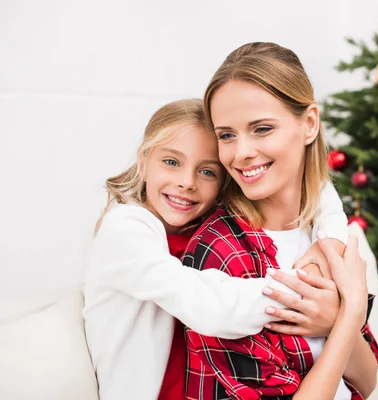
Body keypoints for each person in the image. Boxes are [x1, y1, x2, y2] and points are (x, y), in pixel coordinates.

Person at [82, 99, 351, 400]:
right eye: (171, 162)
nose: (187, 183)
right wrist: (305, 293)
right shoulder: (125, 230)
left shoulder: (207, 224)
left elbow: (315, 185)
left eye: (207, 172)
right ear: (143, 162)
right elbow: (210, 306)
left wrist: (332, 241)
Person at [183, 42, 378, 400]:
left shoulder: (327, 235)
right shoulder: (220, 254)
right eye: (226, 135)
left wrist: (336, 321)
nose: (241, 152)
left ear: (309, 124)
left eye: (261, 129)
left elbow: (366, 383)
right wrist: (347, 314)